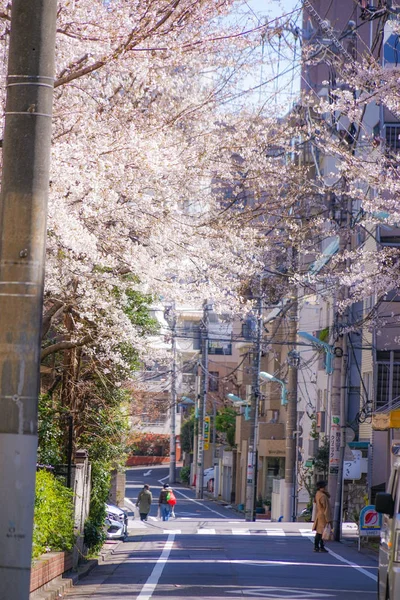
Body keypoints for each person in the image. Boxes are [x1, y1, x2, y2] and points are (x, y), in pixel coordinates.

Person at [312, 480, 332, 552]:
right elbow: (326, 508)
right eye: (324, 487)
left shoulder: (318, 494)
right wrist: (328, 519)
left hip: (319, 514)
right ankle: (319, 546)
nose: (325, 488)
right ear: (322, 487)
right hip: (323, 515)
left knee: (319, 532)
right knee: (322, 532)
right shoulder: (323, 496)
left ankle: (317, 546)